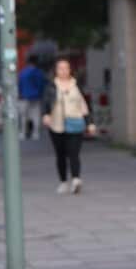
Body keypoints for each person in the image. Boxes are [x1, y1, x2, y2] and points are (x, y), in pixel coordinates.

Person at [42, 57, 96, 194]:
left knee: (74, 153)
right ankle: (63, 181)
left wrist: (90, 123)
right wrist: (46, 115)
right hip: (57, 124)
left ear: (70, 70)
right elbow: (46, 103)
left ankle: (76, 179)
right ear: (56, 70)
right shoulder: (51, 86)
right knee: (60, 154)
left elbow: (84, 105)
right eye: (60, 68)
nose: (63, 71)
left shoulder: (76, 85)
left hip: (75, 122)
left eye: (66, 68)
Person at [18, 59, 47, 140]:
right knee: (35, 115)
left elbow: (19, 84)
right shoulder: (38, 72)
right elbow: (41, 84)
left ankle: (23, 133)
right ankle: (35, 133)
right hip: (36, 96)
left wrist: (20, 94)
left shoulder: (23, 72)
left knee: (23, 116)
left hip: (24, 96)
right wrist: (40, 93)